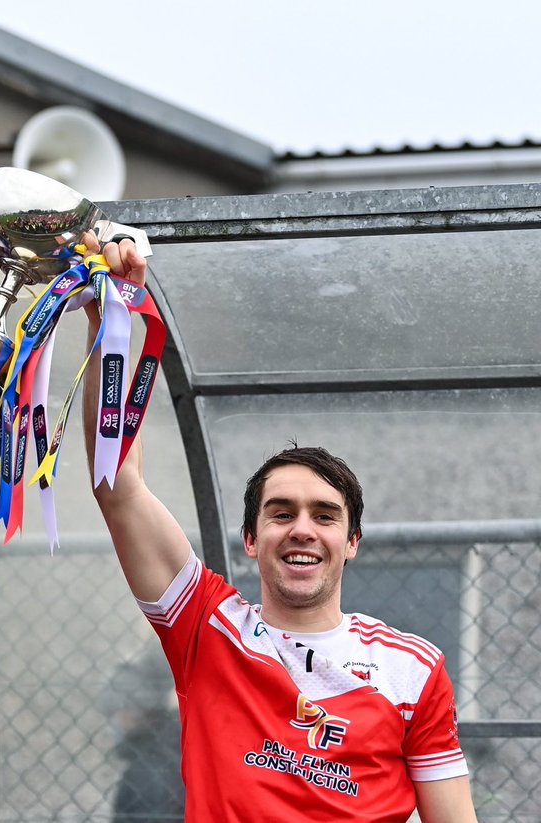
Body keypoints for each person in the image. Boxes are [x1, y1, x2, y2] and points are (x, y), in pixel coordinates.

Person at [82, 237, 479, 823]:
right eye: (281, 513)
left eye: (325, 516)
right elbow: (116, 486)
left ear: (351, 544)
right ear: (251, 539)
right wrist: (109, 312)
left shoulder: (413, 667)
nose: (302, 530)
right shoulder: (207, 630)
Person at [100, 651, 185, 821]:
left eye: (120, 710)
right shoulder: (176, 751)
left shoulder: (149, 771)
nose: (115, 720)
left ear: (142, 711)